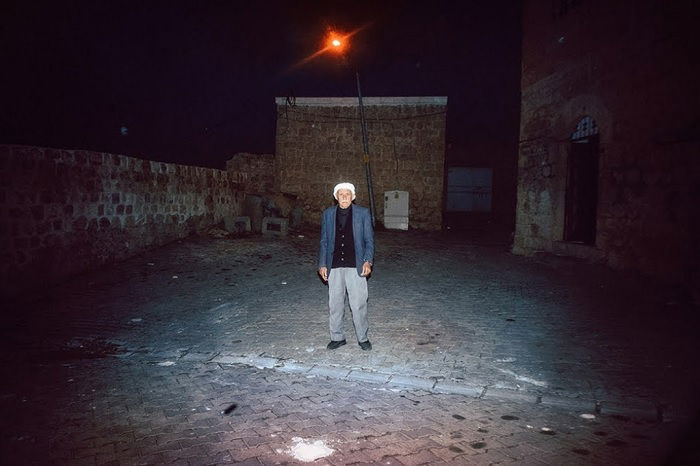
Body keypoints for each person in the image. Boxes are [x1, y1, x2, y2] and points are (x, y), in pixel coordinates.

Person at [318, 182, 374, 351]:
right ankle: (337, 337)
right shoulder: (328, 214)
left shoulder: (362, 214)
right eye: (341, 195)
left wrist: (367, 261)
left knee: (358, 304)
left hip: (355, 265)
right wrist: (322, 264)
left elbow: (369, 241)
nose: (344, 198)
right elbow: (324, 241)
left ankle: (362, 337)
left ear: (353, 197)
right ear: (336, 197)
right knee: (335, 304)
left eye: (347, 194)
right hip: (334, 265)